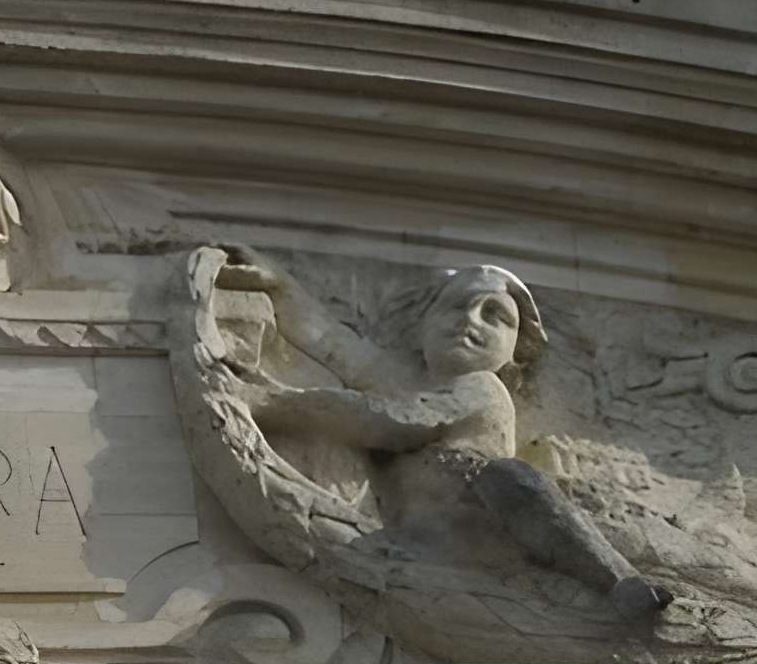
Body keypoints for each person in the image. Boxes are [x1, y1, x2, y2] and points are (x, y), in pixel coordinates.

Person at [215, 252, 670, 620]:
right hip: (420, 541)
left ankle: (618, 582)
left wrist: (271, 402)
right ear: (423, 327)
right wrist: (281, 286)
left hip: (477, 537)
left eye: (494, 316)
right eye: (457, 305)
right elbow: (338, 346)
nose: (470, 321)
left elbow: (397, 423)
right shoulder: (412, 384)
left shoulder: (482, 388)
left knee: (513, 479)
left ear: (515, 354)